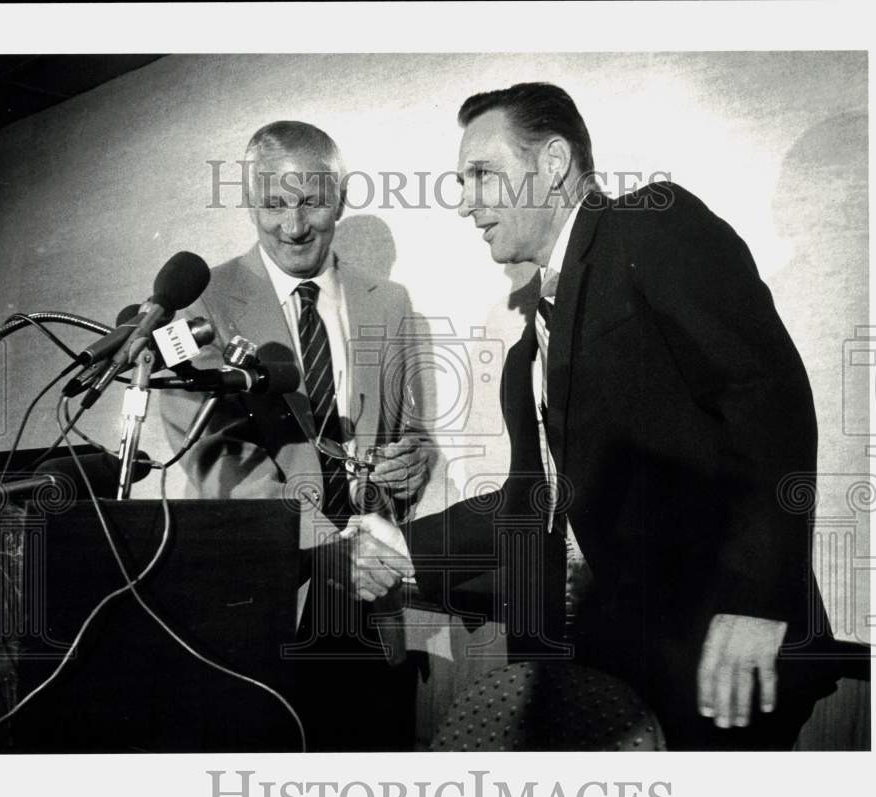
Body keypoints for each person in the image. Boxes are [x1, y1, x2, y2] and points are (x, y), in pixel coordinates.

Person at [353, 83, 840, 750]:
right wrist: (405, 543)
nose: (465, 202)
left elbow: (766, 397)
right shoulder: (530, 346)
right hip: (632, 665)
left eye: (483, 174)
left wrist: (756, 600)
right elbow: (532, 501)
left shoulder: (650, 225)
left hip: (731, 651)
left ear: (553, 163)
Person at [160, 121, 427, 751]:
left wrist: (411, 463)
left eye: (310, 200)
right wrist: (326, 539)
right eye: (273, 204)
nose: (294, 225)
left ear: (339, 196)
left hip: (369, 594)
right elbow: (211, 452)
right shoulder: (203, 303)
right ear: (251, 203)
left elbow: (406, 429)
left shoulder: (390, 302)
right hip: (264, 591)